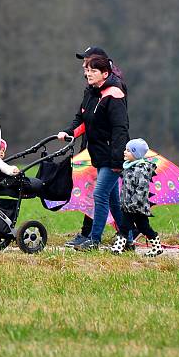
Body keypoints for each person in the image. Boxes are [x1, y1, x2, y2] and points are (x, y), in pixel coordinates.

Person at [58, 53, 130, 251]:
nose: (88, 74)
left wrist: (117, 161)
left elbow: (120, 129)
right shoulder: (90, 93)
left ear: (105, 73)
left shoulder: (114, 94)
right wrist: (68, 132)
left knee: (99, 195)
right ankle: (129, 238)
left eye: (93, 71)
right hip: (98, 154)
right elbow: (81, 120)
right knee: (113, 200)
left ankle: (94, 240)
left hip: (111, 156)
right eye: (86, 70)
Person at [110, 138, 164, 257]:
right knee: (144, 227)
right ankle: (157, 247)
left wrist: (134, 203)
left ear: (136, 154)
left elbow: (141, 188)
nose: (124, 152)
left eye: (128, 151)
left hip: (135, 206)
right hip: (129, 204)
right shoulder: (129, 167)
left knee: (124, 227)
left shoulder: (141, 169)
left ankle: (117, 248)